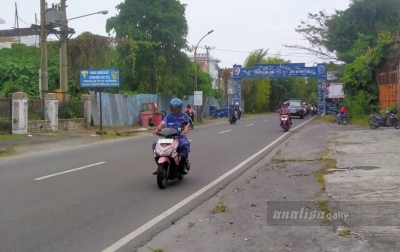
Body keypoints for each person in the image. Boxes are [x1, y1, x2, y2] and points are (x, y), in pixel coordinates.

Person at [152, 98, 190, 174]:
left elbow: (186, 126)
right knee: (155, 145)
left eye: (176, 107)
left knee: (185, 145)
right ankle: (160, 166)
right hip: (168, 137)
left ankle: (182, 166)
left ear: (180, 107)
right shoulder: (168, 116)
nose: (175, 108)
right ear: (171, 107)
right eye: (173, 107)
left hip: (179, 137)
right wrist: (157, 130)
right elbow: (163, 124)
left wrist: (185, 131)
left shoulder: (184, 116)